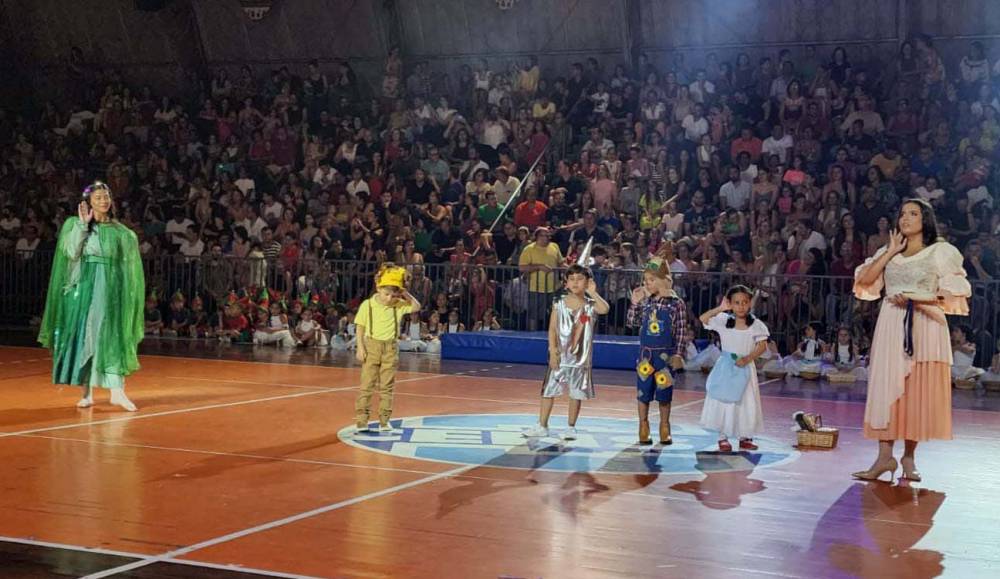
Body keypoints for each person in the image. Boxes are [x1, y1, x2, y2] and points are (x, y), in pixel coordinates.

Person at [852, 198, 971, 482]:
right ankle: (884, 458)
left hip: (925, 324)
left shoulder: (940, 251)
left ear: (925, 219)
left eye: (913, 213)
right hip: (892, 322)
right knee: (886, 386)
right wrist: (890, 251)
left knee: (916, 391)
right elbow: (865, 281)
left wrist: (917, 298)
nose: (905, 218)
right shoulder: (890, 250)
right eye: (903, 213)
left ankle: (908, 457)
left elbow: (953, 294)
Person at [38, 182, 144, 412]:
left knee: (111, 335)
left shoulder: (120, 232)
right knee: (85, 335)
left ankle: (117, 392)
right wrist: (83, 226)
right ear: (88, 202)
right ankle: (86, 393)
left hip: (110, 291)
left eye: (106, 197)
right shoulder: (75, 225)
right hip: (85, 289)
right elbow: (70, 252)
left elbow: (127, 266)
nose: (103, 201)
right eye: (98, 198)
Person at [522, 263, 610, 440]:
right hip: (560, 356)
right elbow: (552, 328)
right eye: (572, 279)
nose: (575, 282)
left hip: (579, 359)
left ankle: (571, 427)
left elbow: (605, 309)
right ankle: (542, 425)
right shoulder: (559, 302)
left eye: (580, 279)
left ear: (588, 282)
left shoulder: (591, 304)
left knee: (575, 393)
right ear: (566, 283)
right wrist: (552, 350)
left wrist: (593, 293)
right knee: (548, 390)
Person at [626, 246, 689, 445]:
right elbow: (632, 322)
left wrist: (678, 354)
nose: (647, 284)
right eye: (645, 280)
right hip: (646, 356)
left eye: (651, 280)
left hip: (666, 356)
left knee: (664, 392)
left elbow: (680, 331)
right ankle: (643, 426)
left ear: (663, 280)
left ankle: (664, 426)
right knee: (643, 392)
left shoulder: (676, 304)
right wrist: (635, 303)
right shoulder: (646, 301)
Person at [698, 285, 770, 451]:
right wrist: (720, 308)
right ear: (730, 303)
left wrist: (748, 358)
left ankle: (745, 436)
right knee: (724, 400)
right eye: (736, 302)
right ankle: (723, 437)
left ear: (750, 303)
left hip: (745, 367)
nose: (741, 306)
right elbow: (703, 318)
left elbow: (762, 346)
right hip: (726, 367)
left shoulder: (756, 324)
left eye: (744, 302)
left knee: (745, 401)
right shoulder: (723, 320)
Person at [354, 264, 421, 433]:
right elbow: (360, 327)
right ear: (378, 288)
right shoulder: (368, 305)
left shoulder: (398, 304)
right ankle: (362, 420)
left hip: (390, 348)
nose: (389, 298)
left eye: (393, 295)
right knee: (367, 385)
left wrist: (404, 292)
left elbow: (416, 307)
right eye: (386, 294)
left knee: (387, 386)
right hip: (372, 346)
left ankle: (384, 421)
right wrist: (360, 348)